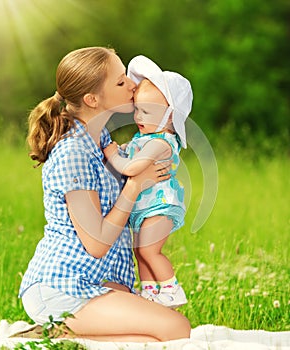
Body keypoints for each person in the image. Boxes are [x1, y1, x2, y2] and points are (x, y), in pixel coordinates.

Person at [19, 47, 191, 342]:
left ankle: (65, 335)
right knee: (176, 329)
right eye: (121, 81)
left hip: (98, 281)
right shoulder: (73, 151)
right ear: (92, 99)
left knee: (155, 337)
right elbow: (96, 242)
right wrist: (135, 185)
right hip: (63, 285)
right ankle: (60, 334)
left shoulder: (101, 140)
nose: (133, 86)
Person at [104, 55, 193, 308]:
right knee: (139, 251)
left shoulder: (160, 143)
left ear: (169, 118)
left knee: (149, 251)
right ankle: (150, 293)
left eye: (147, 111)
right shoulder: (144, 138)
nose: (138, 117)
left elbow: (133, 168)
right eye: (137, 110)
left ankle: (171, 288)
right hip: (146, 207)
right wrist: (122, 150)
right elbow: (131, 154)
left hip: (161, 205)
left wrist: (111, 154)